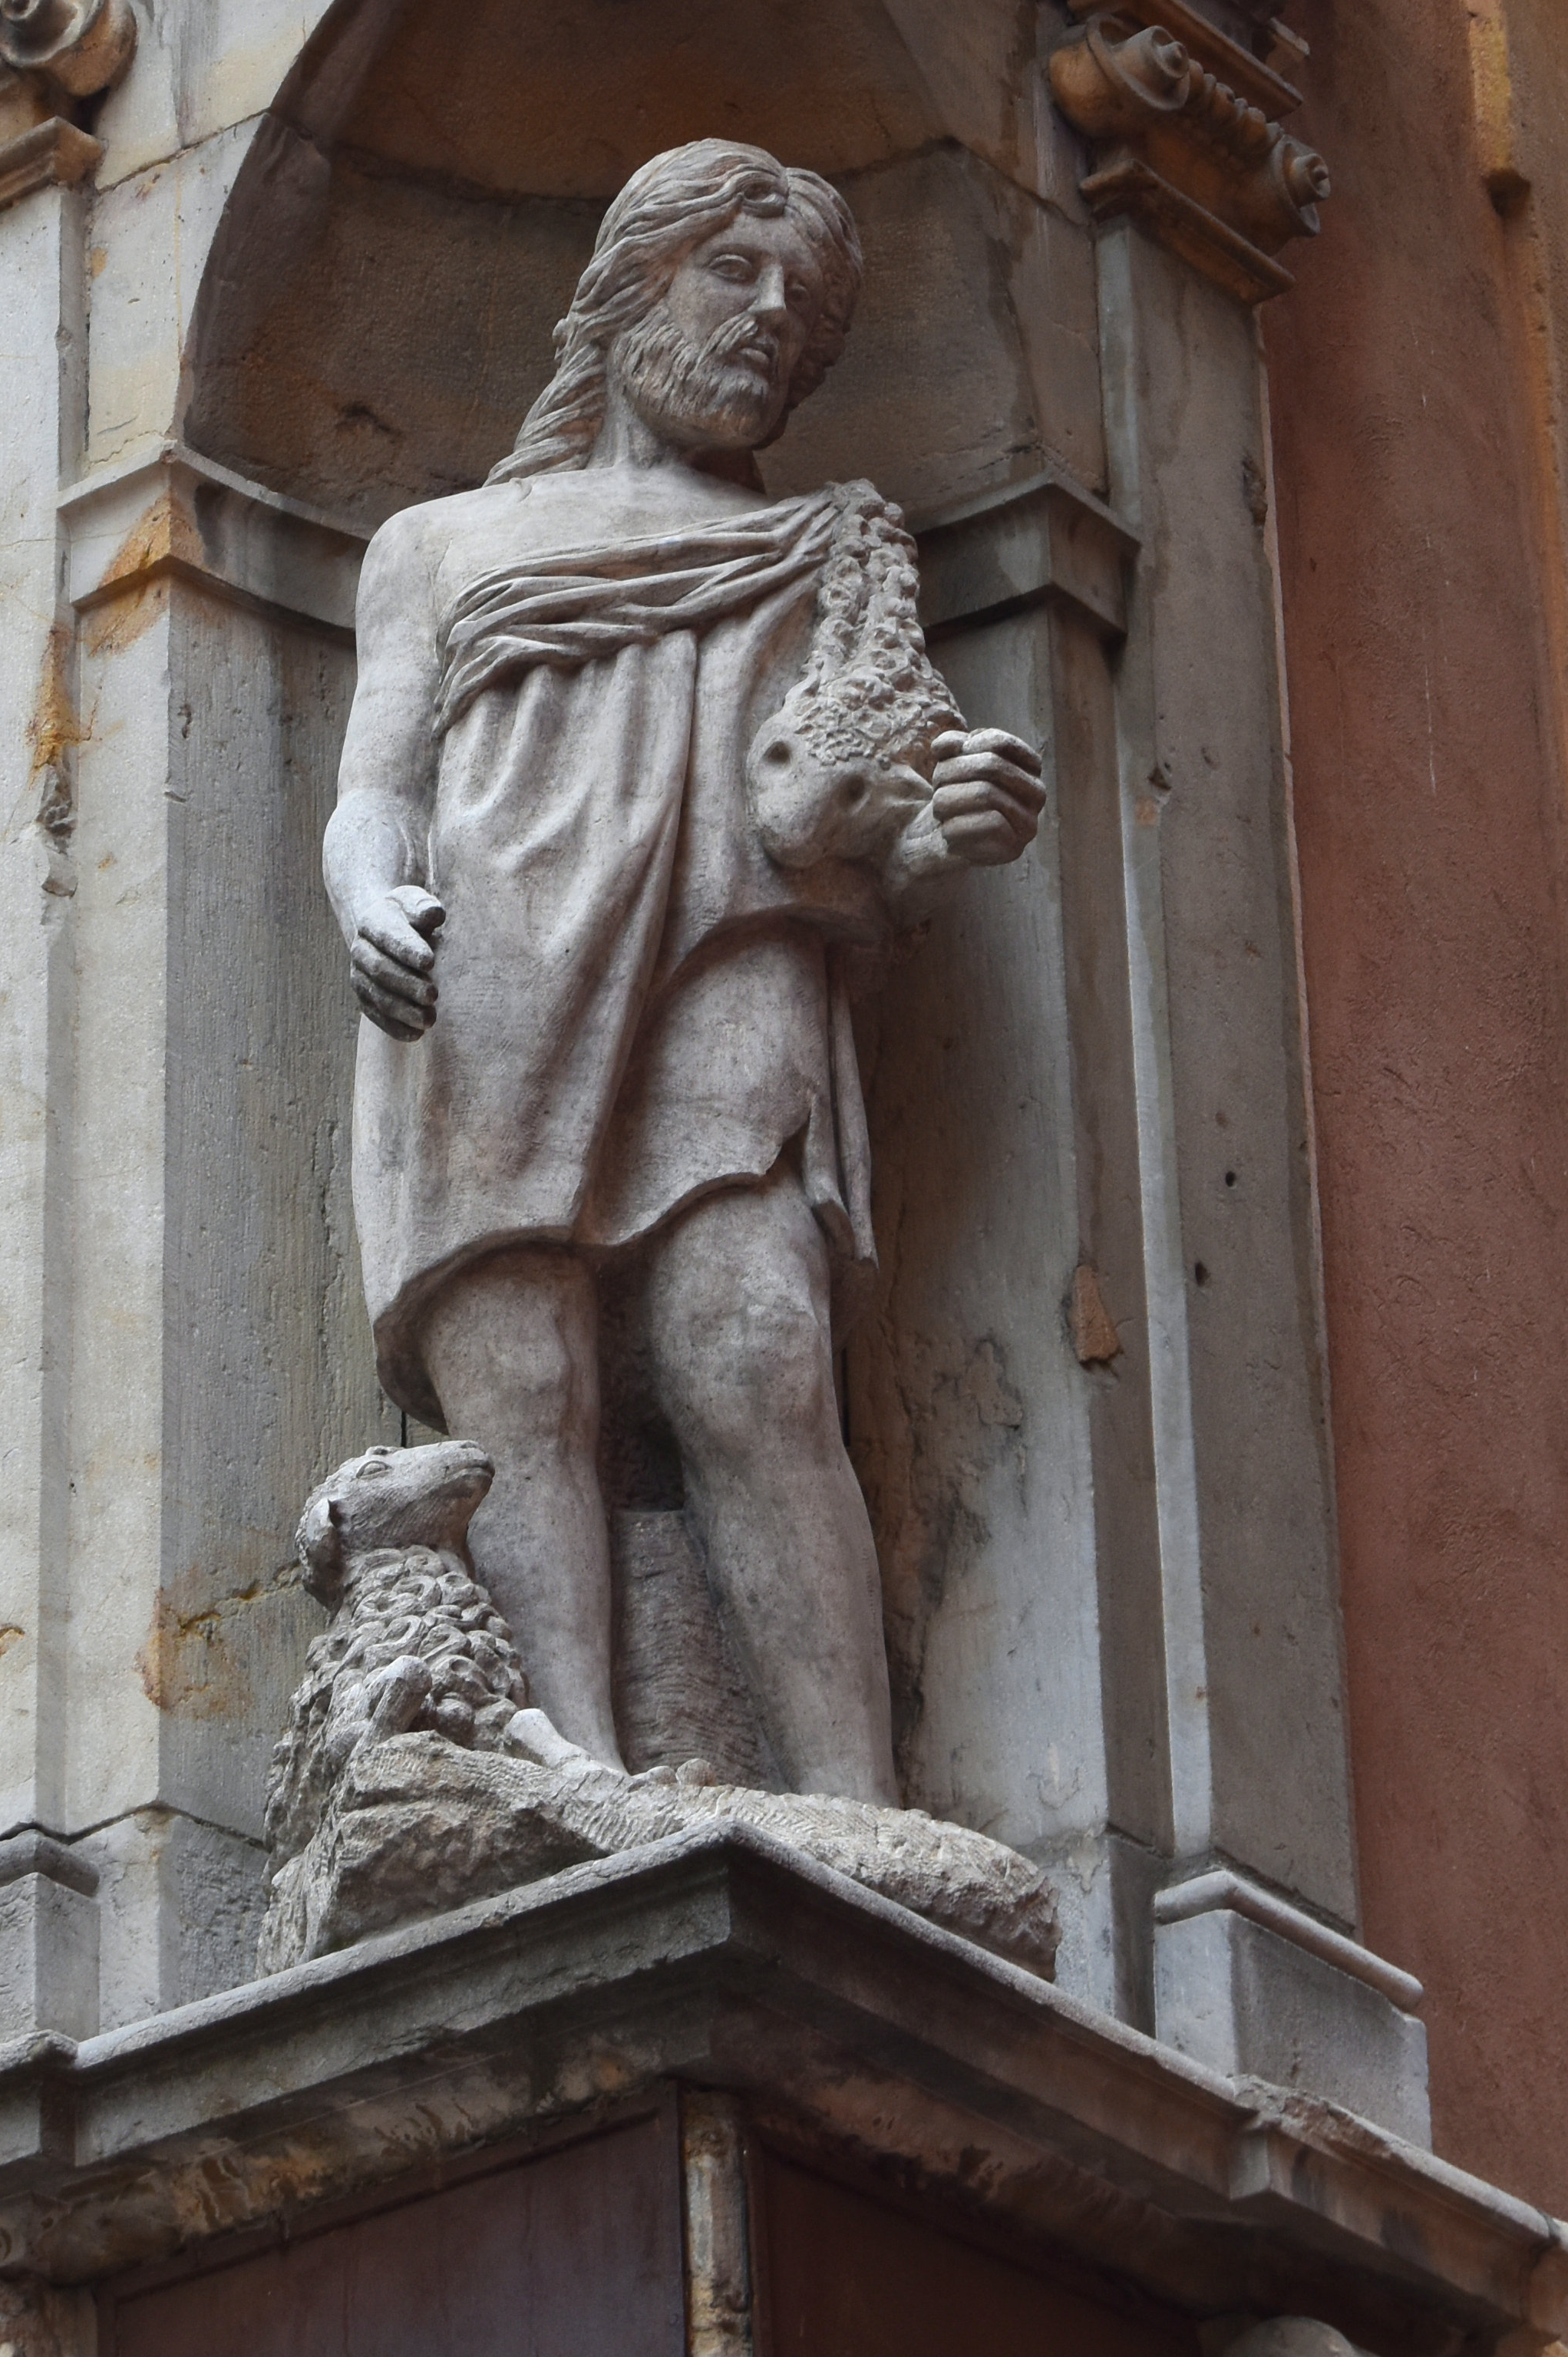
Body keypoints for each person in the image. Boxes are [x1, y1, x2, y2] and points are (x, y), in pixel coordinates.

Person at [322, 139, 1045, 1798]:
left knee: (753, 1343)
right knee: (519, 1378)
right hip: (486, 960)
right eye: (735, 273)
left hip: (737, 947)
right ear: (629, 282)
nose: (770, 322)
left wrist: (958, 827)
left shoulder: (828, 552)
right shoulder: (437, 542)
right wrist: (367, 897)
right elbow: (378, 782)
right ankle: (569, 1778)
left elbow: (872, 824)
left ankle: (856, 1811)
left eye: (805, 312)